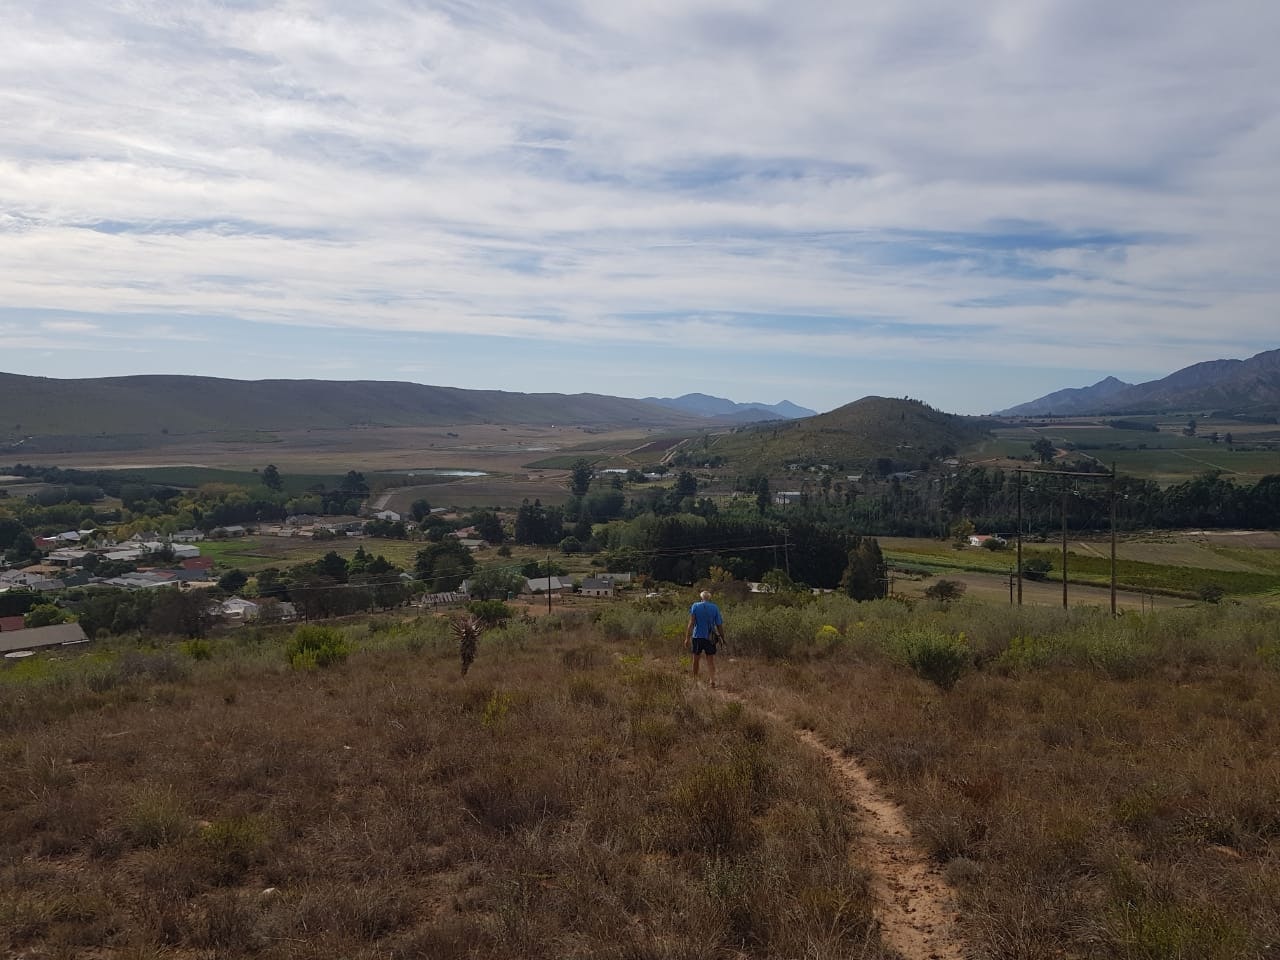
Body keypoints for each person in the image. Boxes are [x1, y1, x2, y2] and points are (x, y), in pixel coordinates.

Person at [685, 589, 724, 688]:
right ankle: (712, 681)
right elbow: (719, 624)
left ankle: (695, 680)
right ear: (709, 598)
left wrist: (687, 638)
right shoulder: (714, 607)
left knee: (696, 659)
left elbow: (691, 623)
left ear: (701, 598)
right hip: (710, 638)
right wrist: (722, 637)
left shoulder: (695, 606)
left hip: (697, 636)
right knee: (710, 660)